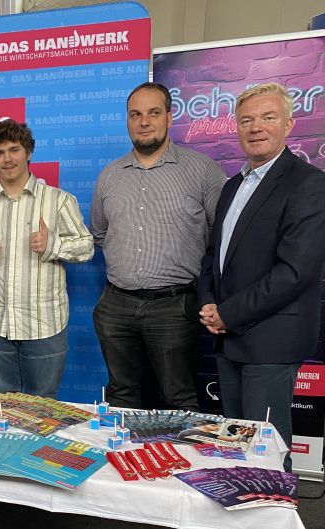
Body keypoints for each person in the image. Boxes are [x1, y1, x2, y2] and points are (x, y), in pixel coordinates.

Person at [198, 82, 325, 471]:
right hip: (229, 336)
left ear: (288, 123)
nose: (256, 127)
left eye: (268, 118)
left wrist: (228, 313)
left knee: (266, 450)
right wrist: (207, 301)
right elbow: (213, 254)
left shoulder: (309, 183)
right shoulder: (233, 185)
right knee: (236, 445)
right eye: (247, 120)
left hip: (270, 339)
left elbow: (295, 271)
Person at [90, 82, 226, 411]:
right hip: (116, 305)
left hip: (175, 307)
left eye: (153, 113)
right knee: (120, 396)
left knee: (178, 396)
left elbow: (221, 234)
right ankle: (122, 461)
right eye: (135, 114)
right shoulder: (110, 176)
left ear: (169, 116)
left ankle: (184, 464)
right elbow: (99, 232)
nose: (144, 122)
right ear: (127, 120)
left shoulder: (201, 170)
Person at [0, 119, 93, 398]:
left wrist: (53, 244)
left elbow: (87, 247)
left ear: (29, 152)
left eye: (14, 150)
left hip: (43, 323)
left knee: (43, 407)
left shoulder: (58, 201)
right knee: (0, 405)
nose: (7, 159)